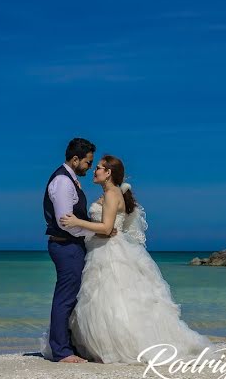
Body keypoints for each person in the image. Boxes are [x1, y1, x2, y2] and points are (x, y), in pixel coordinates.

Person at [44, 154, 211, 364]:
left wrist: (78, 221)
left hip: (109, 251)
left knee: (113, 299)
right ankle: (91, 344)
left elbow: (106, 228)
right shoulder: (110, 193)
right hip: (98, 248)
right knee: (96, 300)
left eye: (98, 167)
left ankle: (114, 345)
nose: (94, 171)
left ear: (108, 173)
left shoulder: (113, 195)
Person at [42, 137, 114, 363]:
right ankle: (61, 350)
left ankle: (68, 344)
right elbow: (67, 222)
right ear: (75, 159)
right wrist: (97, 233)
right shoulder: (63, 182)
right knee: (65, 297)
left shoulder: (70, 180)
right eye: (87, 162)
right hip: (66, 245)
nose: (89, 167)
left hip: (71, 245)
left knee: (73, 297)